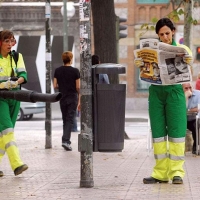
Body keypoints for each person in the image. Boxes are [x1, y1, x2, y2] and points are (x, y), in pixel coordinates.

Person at [134, 18, 193, 184]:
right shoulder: (154, 49)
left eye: (167, 33)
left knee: (176, 132)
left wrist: (188, 61)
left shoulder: (182, 49)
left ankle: (177, 173)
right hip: (156, 93)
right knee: (158, 133)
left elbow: (189, 68)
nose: (165, 37)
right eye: (161, 34)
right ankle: (160, 173)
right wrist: (140, 64)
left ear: (173, 31)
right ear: (157, 35)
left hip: (175, 92)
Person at [0, 30, 28, 177]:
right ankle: (17, 164)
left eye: (12, 41)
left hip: (14, 97)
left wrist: (16, 81)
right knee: (7, 131)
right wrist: (4, 85)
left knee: (3, 135)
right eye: (7, 41)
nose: (10, 44)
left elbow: (23, 75)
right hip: (0, 99)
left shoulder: (17, 57)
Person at [53, 51, 80, 151]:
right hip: (72, 97)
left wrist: (63, 86)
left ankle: (65, 140)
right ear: (71, 59)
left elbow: (55, 85)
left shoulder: (58, 70)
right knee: (70, 119)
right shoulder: (75, 71)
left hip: (62, 97)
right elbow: (78, 87)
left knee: (65, 119)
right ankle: (66, 141)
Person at [183, 82, 200, 154]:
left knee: (197, 124)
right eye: (186, 88)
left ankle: (196, 147)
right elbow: (180, 110)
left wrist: (188, 110)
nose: (189, 90)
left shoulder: (198, 94)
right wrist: (185, 98)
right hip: (182, 119)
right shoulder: (180, 96)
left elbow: (199, 108)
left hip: (193, 118)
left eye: (190, 87)